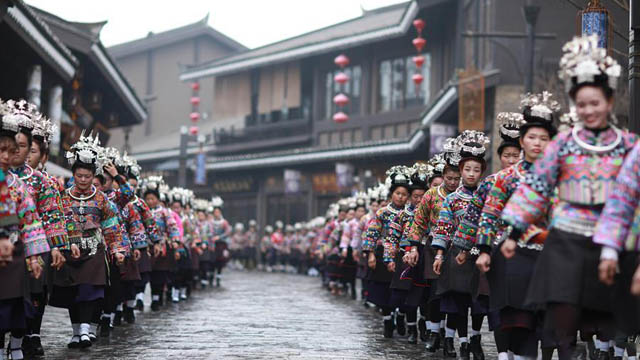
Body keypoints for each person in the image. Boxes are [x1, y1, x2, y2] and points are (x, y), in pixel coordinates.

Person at [500, 35, 636, 360]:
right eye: (582, 104)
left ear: (610, 102)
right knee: (563, 314)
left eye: (596, 103)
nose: (589, 110)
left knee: (607, 315)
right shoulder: (562, 145)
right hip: (566, 240)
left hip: (610, 240)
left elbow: (630, 197)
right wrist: (514, 228)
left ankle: (611, 350)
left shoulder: (630, 146)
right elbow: (536, 186)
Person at [474, 100, 558, 360]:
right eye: (531, 137)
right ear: (521, 141)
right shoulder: (505, 178)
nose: (537, 143)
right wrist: (485, 249)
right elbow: (490, 213)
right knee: (518, 317)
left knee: (544, 320)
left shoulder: (560, 176)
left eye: (543, 138)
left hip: (548, 254)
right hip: (512, 254)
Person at [451, 111, 526, 360]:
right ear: (500, 157)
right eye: (507, 155)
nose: (511, 159)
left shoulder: (539, 180)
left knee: (527, 307)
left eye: (516, 155)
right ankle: (503, 353)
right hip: (495, 250)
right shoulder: (490, 183)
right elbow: (474, 217)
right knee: (498, 302)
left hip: (530, 249)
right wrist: (463, 247)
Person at [49, 132, 125, 349]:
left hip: (94, 252)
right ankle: (75, 333)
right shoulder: (62, 197)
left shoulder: (102, 199)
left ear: (94, 176)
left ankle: (85, 330)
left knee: (89, 290)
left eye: (87, 176)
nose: (83, 180)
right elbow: (57, 222)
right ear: (73, 174)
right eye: (79, 176)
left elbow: (112, 227)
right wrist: (62, 243)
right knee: (72, 292)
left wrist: (118, 249)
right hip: (69, 251)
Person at [432, 130, 490, 359]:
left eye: (477, 170)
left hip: (483, 252)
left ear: (482, 171)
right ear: (460, 170)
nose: (471, 174)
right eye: (467, 169)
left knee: (480, 302)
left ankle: (475, 338)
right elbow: (444, 228)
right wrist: (438, 254)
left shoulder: (490, 195)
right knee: (458, 301)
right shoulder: (451, 199)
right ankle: (462, 341)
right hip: (457, 254)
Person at [0, 101, 49, 360]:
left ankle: (17, 348)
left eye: (12, 150)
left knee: (16, 306)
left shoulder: (18, 186)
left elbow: (31, 220)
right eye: (2, 150)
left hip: (15, 255)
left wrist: (34, 256)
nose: (7, 157)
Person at [407, 150, 460, 352]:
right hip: (433, 247)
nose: (453, 182)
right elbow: (418, 223)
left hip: (458, 248)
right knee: (435, 292)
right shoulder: (431, 194)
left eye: (457, 178)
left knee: (454, 294)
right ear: (443, 175)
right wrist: (413, 248)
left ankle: (449, 338)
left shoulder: (466, 194)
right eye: (449, 178)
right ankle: (434, 332)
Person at [362, 166, 411, 338]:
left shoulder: (410, 213)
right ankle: (387, 320)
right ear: (392, 194)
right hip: (383, 253)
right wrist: (371, 254)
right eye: (398, 193)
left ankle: (400, 314)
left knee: (402, 290)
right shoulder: (382, 212)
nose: (401, 197)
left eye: (404, 194)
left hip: (403, 254)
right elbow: (372, 233)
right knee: (383, 291)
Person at [387, 163, 429, 344]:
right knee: (408, 296)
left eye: (422, 196)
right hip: (405, 256)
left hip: (425, 255)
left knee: (424, 294)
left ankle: (424, 323)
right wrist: (389, 258)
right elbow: (392, 238)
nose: (419, 200)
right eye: (415, 196)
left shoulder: (430, 214)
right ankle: (411, 327)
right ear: (410, 198)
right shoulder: (402, 215)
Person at [140, 176, 181, 311]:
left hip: (161, 246)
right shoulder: (141, 211)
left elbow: (172, 227)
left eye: (153, 198)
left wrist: (175, 240)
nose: (150, 201)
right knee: (144, 273)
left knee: (159, 274)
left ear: (158, 199)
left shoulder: (165, 212)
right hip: (144, 245)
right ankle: (139, 298)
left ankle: (156, 298)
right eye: (148, 199)